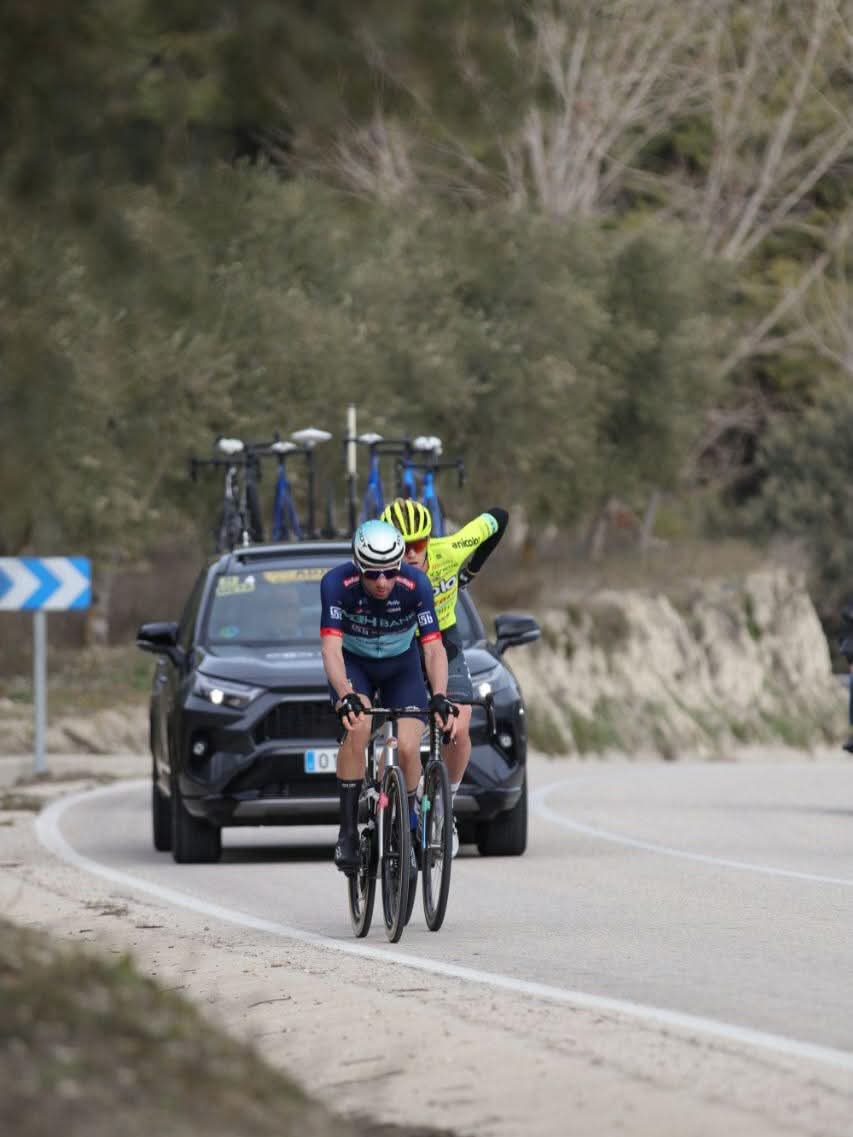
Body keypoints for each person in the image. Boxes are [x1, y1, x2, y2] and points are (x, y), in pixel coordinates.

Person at [320, 519, 458, 875]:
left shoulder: (417, 585)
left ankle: (407, 827)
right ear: (357, 566)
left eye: (390, 572)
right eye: (372, 573)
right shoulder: (336, 584)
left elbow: (433, 648)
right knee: (359, 727)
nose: (382, 582)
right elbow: (331, 650)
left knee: (409, 747)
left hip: (401, 667)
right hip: (356, 665)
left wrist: (439, 694)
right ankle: (348, 832)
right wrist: (345, 694)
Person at [380, 497, 509, 856]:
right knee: (397, 738)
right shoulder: (378, 570)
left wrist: (472, 571)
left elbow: (499, 516)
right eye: (402, 545)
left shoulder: (449, 550)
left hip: (444, 640)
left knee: (459, 729)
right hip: (400, 645)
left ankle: (442, 807)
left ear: (429, 540)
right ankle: (391, 805)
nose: (411, 553)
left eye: (418, 544)